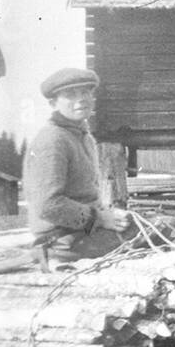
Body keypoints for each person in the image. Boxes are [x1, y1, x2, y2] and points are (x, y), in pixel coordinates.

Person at [22, 67, 132, 262]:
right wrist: (101, 219)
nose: (81, 99)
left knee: (159, 226)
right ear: (53, 103)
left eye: (85, 92)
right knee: (166, 228)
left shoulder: (83, 136)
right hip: (62, 240)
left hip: (84, 232)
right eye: (70, 95)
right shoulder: (52, 139)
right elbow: (48, 205)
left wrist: (106, 216)